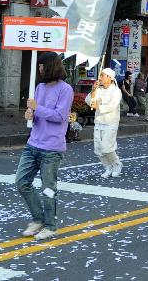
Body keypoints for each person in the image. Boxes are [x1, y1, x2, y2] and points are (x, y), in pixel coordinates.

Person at [15, 52, 73, 241]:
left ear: (50, 66)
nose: (39, 69)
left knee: (48, 189)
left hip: (52, 148)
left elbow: (60, 117)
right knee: (22, 182)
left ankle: (50, 225)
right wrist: (30, 113)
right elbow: (35, 111)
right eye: (38, 65)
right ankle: (38, 219)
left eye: (42, 65)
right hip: (33, 143)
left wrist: (37, 108)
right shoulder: (39, 87)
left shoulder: (65, 90)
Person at [86, 67, 122, 178]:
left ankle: (117, 164)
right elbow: (88, 101)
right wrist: (93, 91)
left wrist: (99, 107)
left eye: (102, 75)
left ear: (110, 78)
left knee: (107, 147)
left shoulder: (116, 91)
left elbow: (113, 106)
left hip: (110, 122)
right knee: (98, 149)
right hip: (99, 122)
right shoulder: (99, 89)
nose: (100, 77)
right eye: (100, 75)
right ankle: (108, 167)